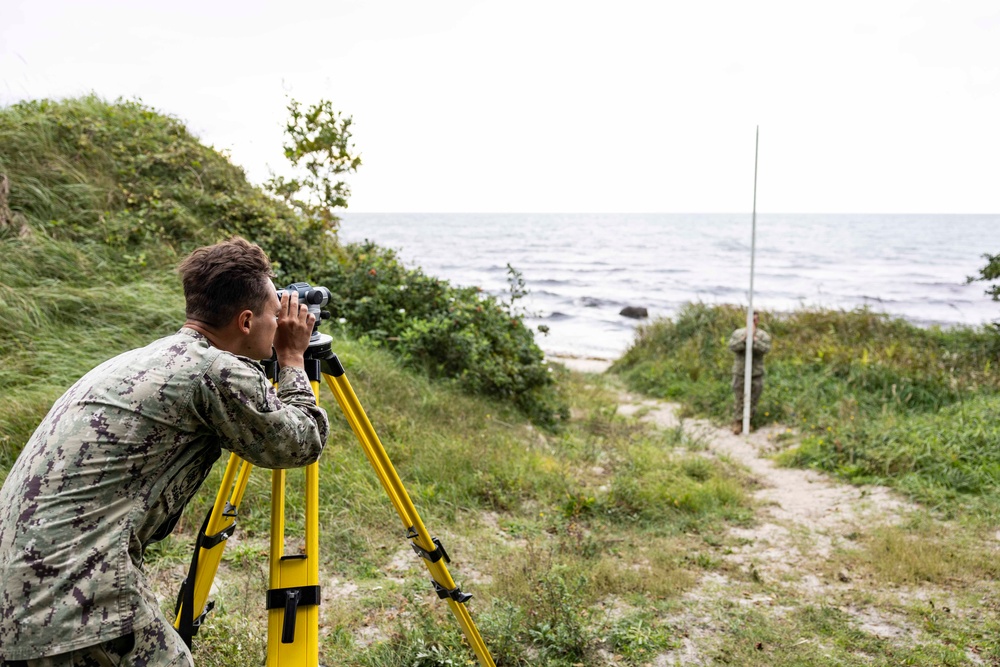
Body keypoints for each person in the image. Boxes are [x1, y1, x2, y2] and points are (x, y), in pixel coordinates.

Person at [0, 237, 330, 667]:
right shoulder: (215, 370)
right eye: (275, 314)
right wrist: (291, 359)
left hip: (18, 588)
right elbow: (300, 442)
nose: (280, 323)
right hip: (69, 599)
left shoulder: (141, 359)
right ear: (246, 321)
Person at [728, 311, 772, 434]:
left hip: (755, 372)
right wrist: (744, 339)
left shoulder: (763, 335)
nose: (752, 322)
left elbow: (766, 349)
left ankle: (749, 421)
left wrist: (754, 341)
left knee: (753, 398)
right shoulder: (738, 333)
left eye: (755, 320)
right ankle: (737, 421)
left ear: (758, 321)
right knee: (739, 397)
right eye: (750, 320)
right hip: (740, 371)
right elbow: (732, 347)